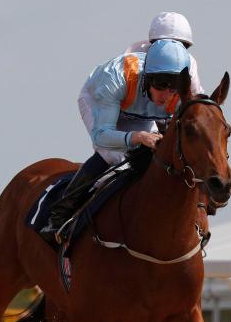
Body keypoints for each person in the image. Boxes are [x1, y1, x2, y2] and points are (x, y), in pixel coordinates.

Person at [39, 39, 191, 243]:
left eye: (173, 88)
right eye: (161, 84)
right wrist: (137, 136)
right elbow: (102, 135)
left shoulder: (178, 97)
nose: (166, 95)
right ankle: (59, 215)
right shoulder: (117, 77)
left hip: (140, 112)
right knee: (112, 154)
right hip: (100, 102)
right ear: (147, 77)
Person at [124, 11, 204, 95]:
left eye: (179, 46)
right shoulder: (132, 55)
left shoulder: (190, 63)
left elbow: (196, 95)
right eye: (166, 46)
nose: (173, 49)